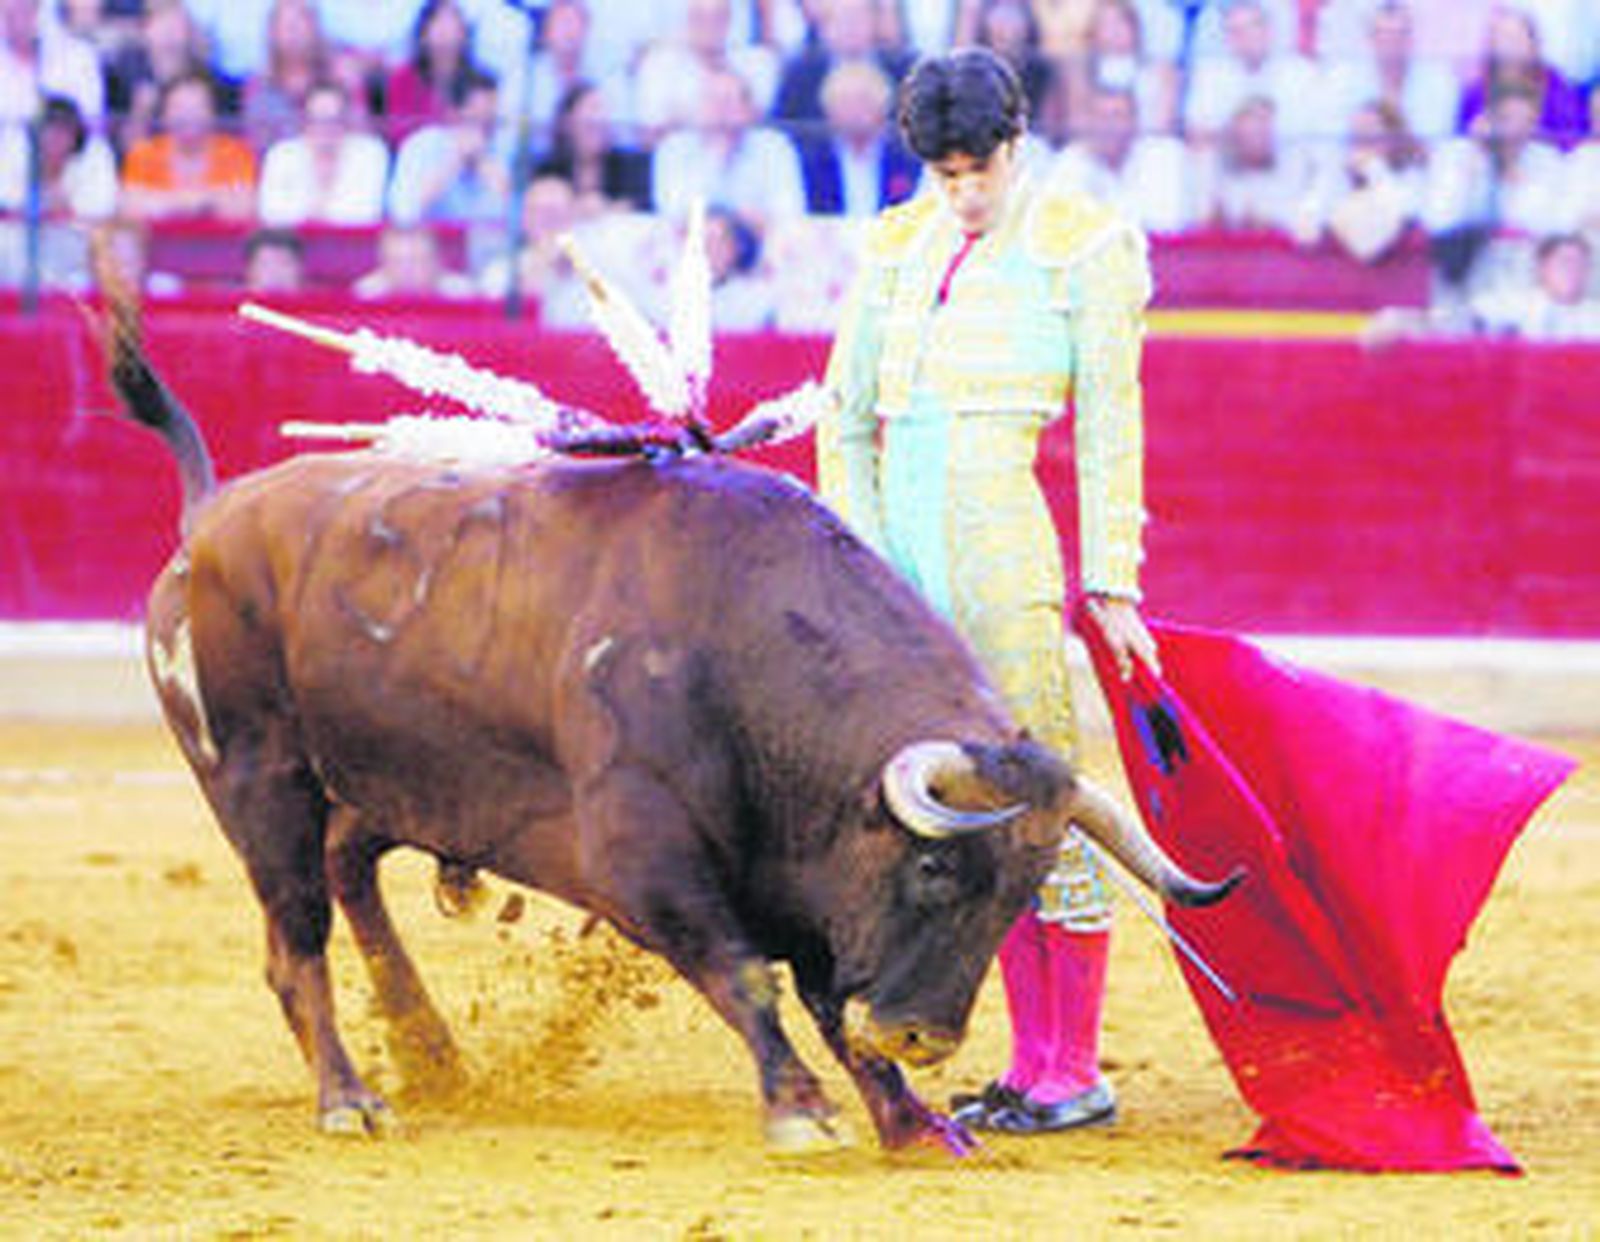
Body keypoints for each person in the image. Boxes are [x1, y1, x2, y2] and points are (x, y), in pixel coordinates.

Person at [817, 46, 1155, 1135]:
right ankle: (1026, 1060)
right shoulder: (897, 242)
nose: (963, 193)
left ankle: (1074, 1068)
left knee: (1036, 795)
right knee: (953, 819)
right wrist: (865, 568)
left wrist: (1111, 579)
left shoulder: (1082, 243)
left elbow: (1110, 427)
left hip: (1001, 548)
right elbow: (845, 417)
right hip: (901, 569)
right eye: (944, 173)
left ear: (1016, 146)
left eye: (978, 170)